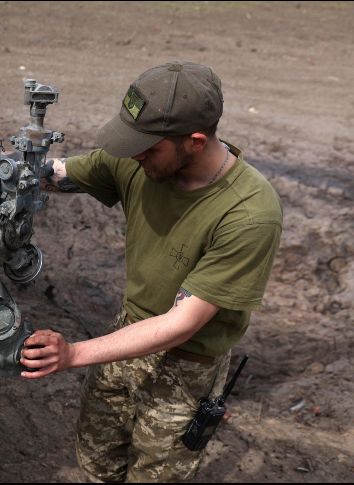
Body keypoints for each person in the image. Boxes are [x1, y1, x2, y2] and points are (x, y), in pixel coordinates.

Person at [20, 61, 283, 482]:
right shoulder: (141, 160)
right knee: (96, 461)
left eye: (146, 146)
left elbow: (181, 324)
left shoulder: (249, 213)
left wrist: (73, 355)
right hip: (125, 336)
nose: (133, 153)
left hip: (188, 367)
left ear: (195, 142)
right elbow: (56, 173)